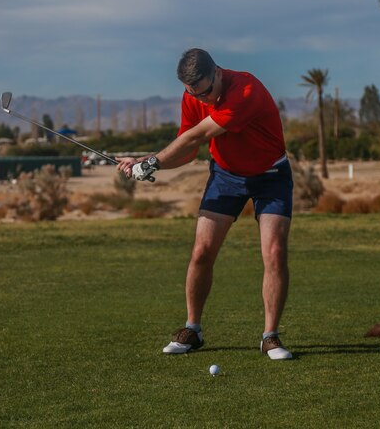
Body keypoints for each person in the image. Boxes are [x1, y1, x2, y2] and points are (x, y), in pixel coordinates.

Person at [117, 48, 293, 360]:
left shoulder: (246, 90)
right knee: (201, 252)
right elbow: (185, 152)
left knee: (274, 254)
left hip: (271, 177)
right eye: (194, 95)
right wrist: (144, 163)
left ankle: (270, 337)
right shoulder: (194, 98)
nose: (203, 101)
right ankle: (192, 329)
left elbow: (199, 136)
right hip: (226, 177)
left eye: (207, 92)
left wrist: (151, 162)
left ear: (218, 73)